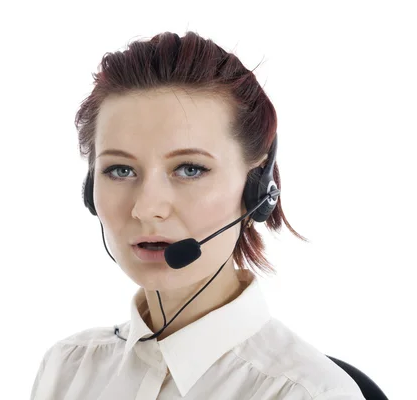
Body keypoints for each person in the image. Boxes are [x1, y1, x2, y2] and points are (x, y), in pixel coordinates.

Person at [30, 31, 365, 399]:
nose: (146, 208)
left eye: (189, 169)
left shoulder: (307, 393)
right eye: (121, 170)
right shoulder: (68, 370)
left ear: (257, 189)